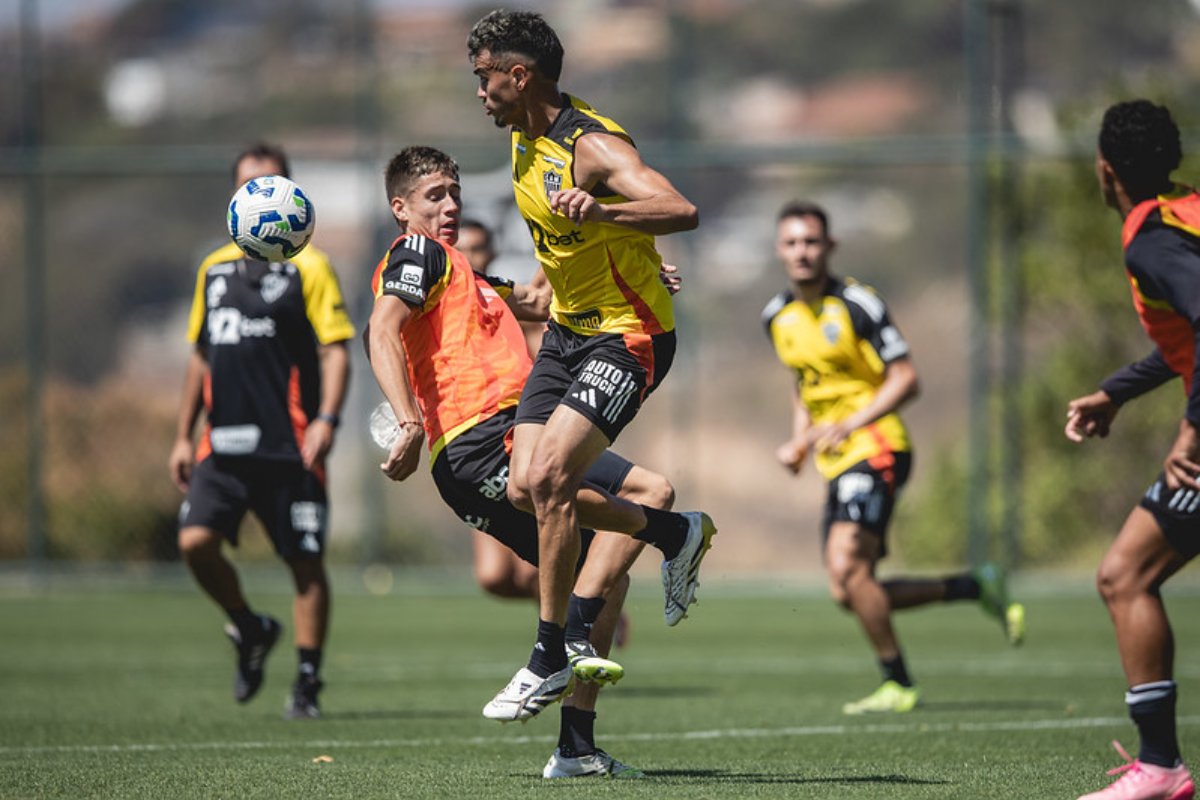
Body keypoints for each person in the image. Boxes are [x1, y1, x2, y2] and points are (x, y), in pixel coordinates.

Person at [366, 145, 698, 776]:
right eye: (434, 195)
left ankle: (576, 744)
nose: (450, 205)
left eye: (455, 192)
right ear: (401, 208)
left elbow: (546, 302)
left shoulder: (465, 274)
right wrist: (408, 421)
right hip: (479, 439)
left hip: (517, 434)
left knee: (623, 541)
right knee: (591, 510)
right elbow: (380, 330)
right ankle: (659, 551)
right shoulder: (417, 254)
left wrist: (639, 270)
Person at [467, 8, 717, 713]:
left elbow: (681, 207)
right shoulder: (522, 147)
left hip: (628, 338)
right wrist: (483, 288)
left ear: (521, 75)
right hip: (569, 337)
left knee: (549, 476)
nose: (479, 91)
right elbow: (555, 273)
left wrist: (607, 217)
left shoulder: (592, 146)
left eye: (485, 77)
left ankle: (549, 651)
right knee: (523, 488)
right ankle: (674, 531)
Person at [762, 200, 1025, 715]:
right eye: (792, 243)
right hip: (835, 458)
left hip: (878, 445)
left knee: (845, 565)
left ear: (830, 247)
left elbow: (907, 378)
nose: (802, 253)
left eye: (812, 242)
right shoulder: (777, 316)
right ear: (779, 250)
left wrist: (850, 423)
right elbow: (803, 382)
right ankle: (974, 585)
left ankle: (899, 683)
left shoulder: (858, 304)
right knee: (850, 589)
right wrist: (800, 439)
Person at [168, 142, 353, 720]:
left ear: (292, 195)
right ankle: (250, 628)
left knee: (304, 564)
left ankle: (306, 683)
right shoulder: (214, 268)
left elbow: (336, 351)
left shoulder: (311, 267)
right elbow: (201, 356)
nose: (261, 197)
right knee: (194, 542)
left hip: (290, 443)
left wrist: (326, 420)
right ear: (235, 198)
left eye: (271, 185)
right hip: (220, 443)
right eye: (250, 186)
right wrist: (182, 434)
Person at [1066, 99, 1199, 800]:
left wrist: (1192, 432)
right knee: (1127, 575)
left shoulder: (1153, 240)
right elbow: (1186, 335)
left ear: (1106, 168)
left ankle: (1159, 768)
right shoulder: (1188, 212)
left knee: (1125, 576)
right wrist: (1117, 390)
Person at [456, 217, 541, 601]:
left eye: (478, 248)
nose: (471, 256)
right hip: (473, 444)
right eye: (463, 249)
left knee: (529, 574)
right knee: (493, 578)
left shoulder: (501, 299)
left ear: (491, 253)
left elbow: (541, 324)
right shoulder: (443, 306)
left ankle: (587, 610)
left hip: (515, 437)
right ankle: (584, 602)